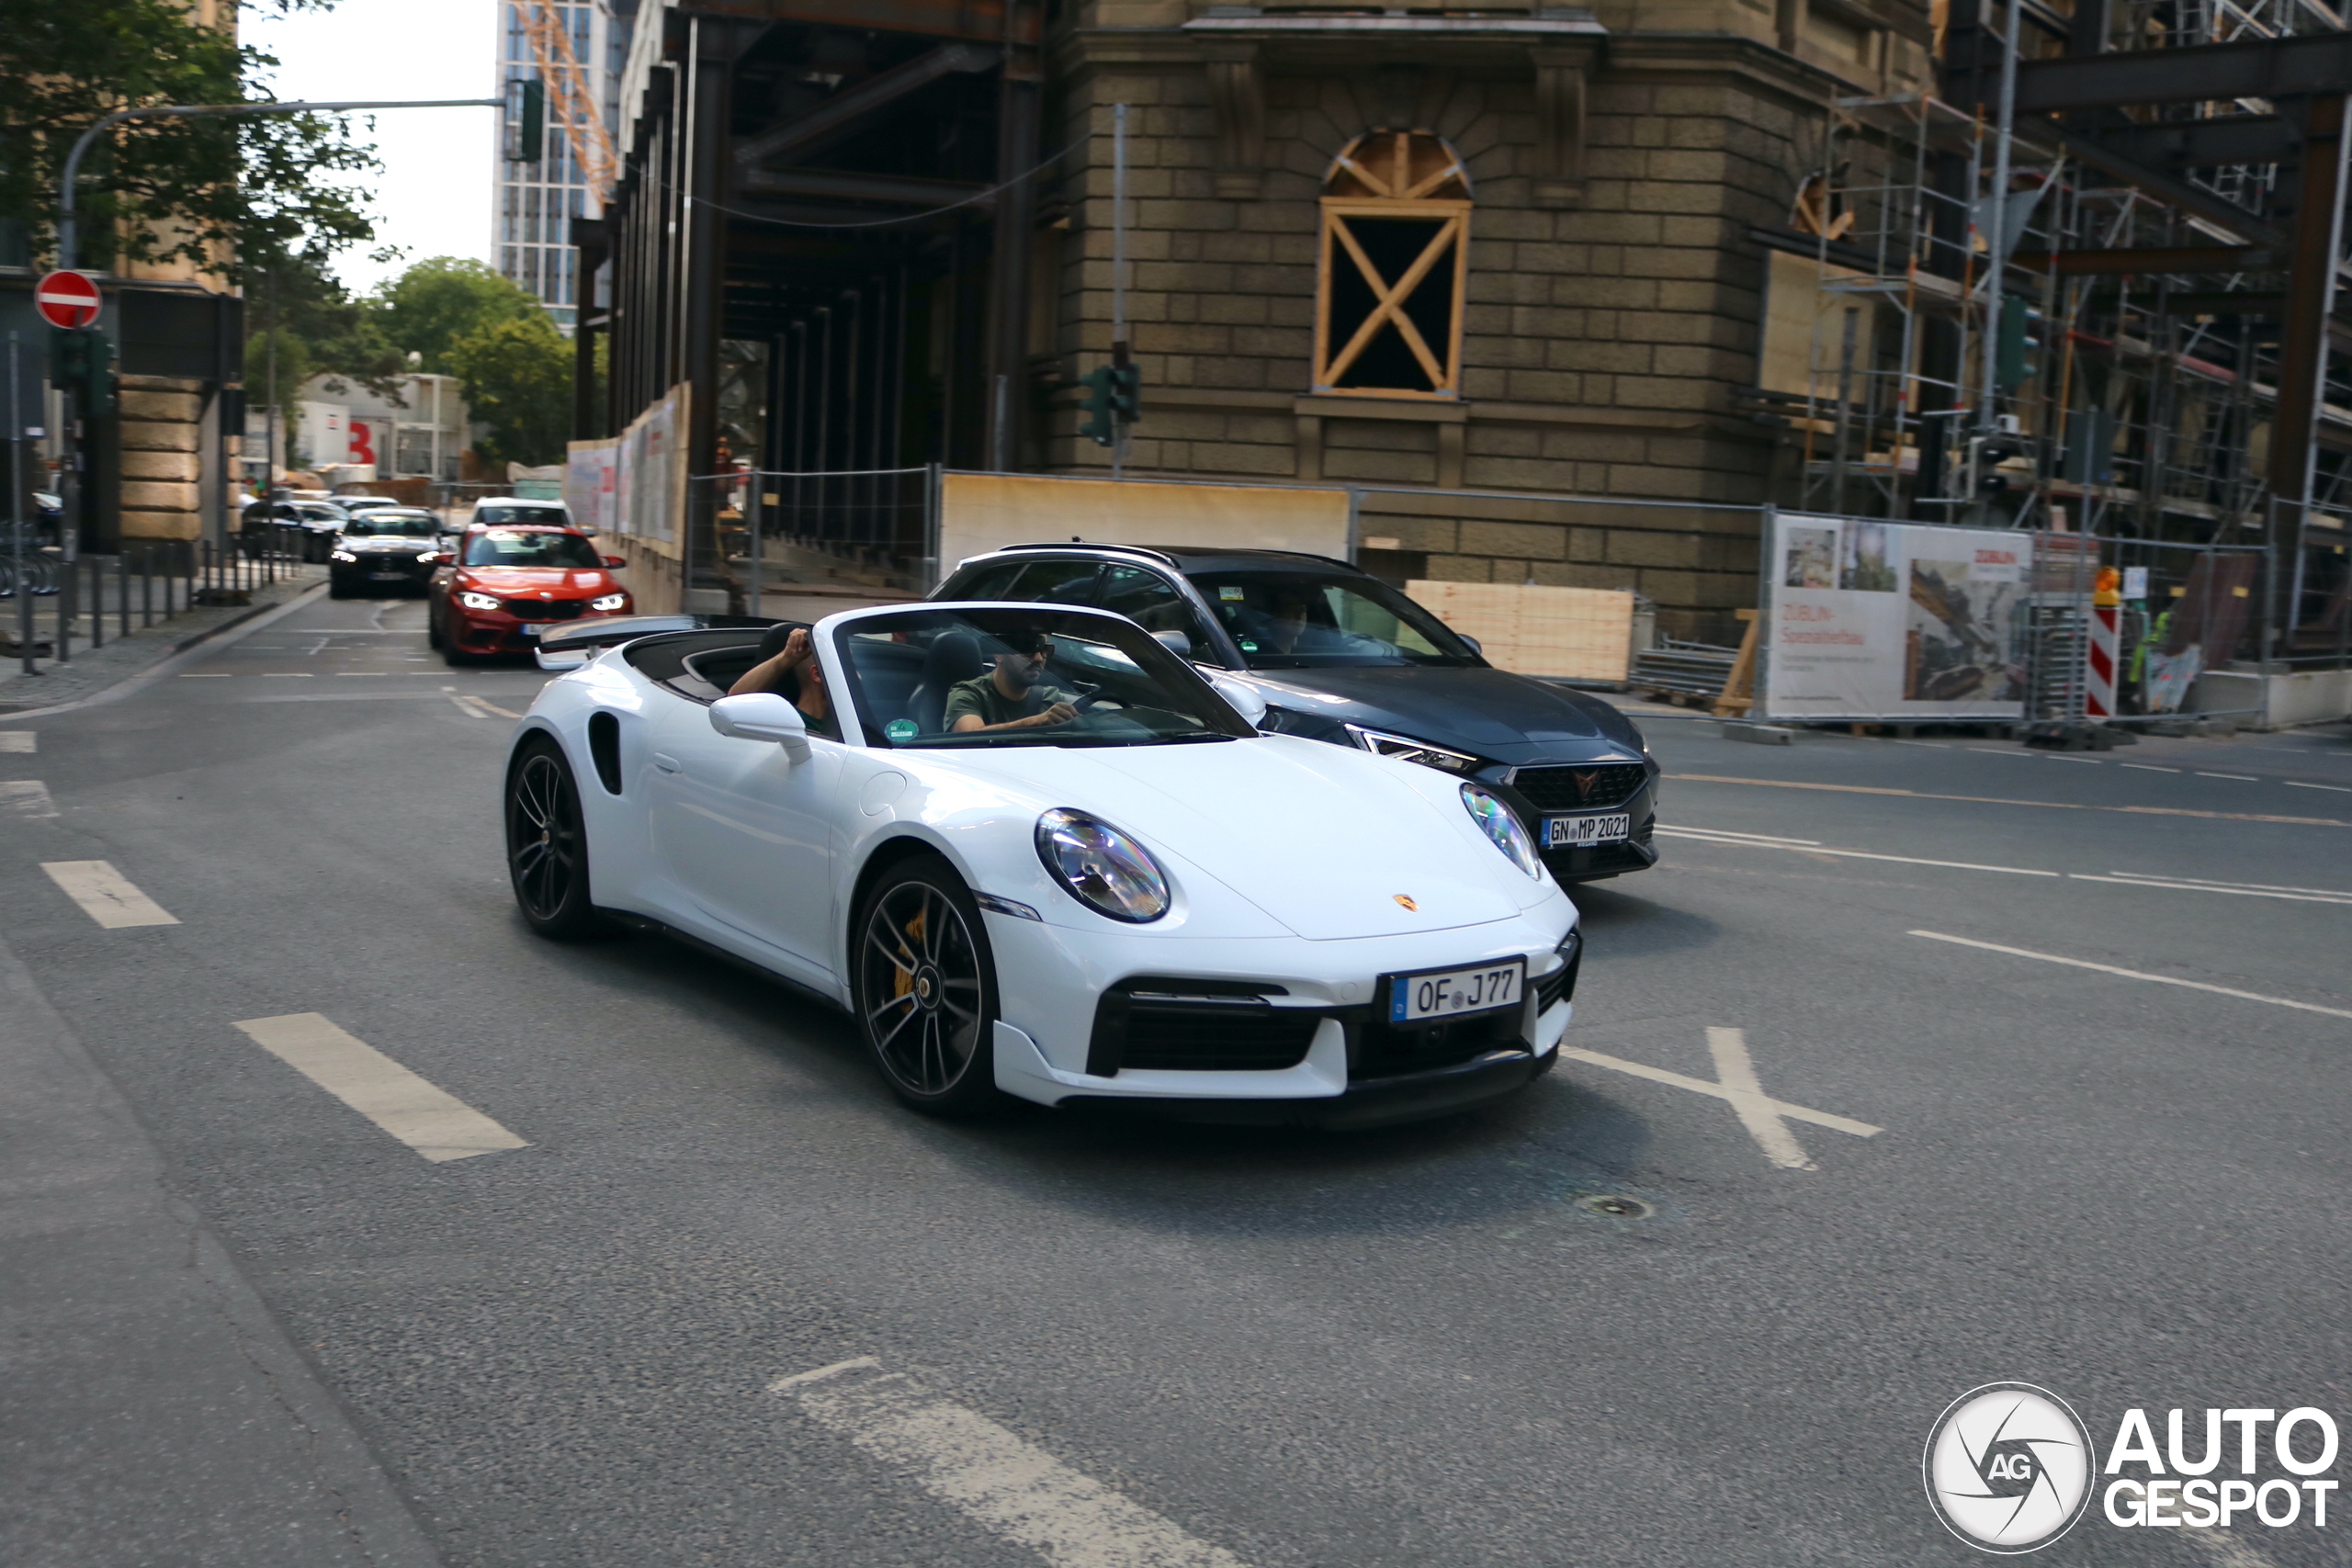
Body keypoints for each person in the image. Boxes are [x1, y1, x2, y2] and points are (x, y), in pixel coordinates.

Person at [944, 631, 1080, 732]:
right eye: (1027, 649)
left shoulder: (1051, 698)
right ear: (998, 655)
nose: (1038, 658)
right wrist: (1036, 722)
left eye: (1045, 650)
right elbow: (968, 737)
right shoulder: (969, 694)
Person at [729, 625, 833, 733]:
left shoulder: (845, 718)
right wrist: (787, 657)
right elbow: (734, 702)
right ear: (817, 675)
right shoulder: (784, 724)